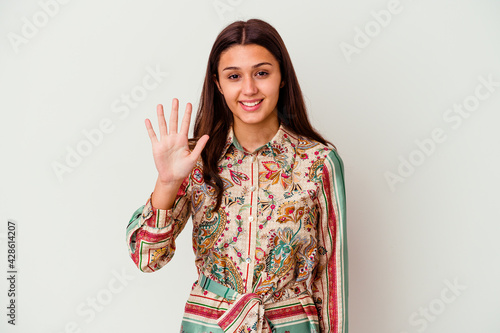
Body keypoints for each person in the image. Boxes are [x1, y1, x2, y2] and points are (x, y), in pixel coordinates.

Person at [125, 18, 348, 333]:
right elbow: (147, 259)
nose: (249, 89)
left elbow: (331, 276)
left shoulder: (318, 161)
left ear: (282, 77)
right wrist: (167, 183)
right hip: (211, 324)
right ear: (218, 84)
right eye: (234, 76)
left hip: (290, 325)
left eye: (262, 73)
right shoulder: (194, 160)